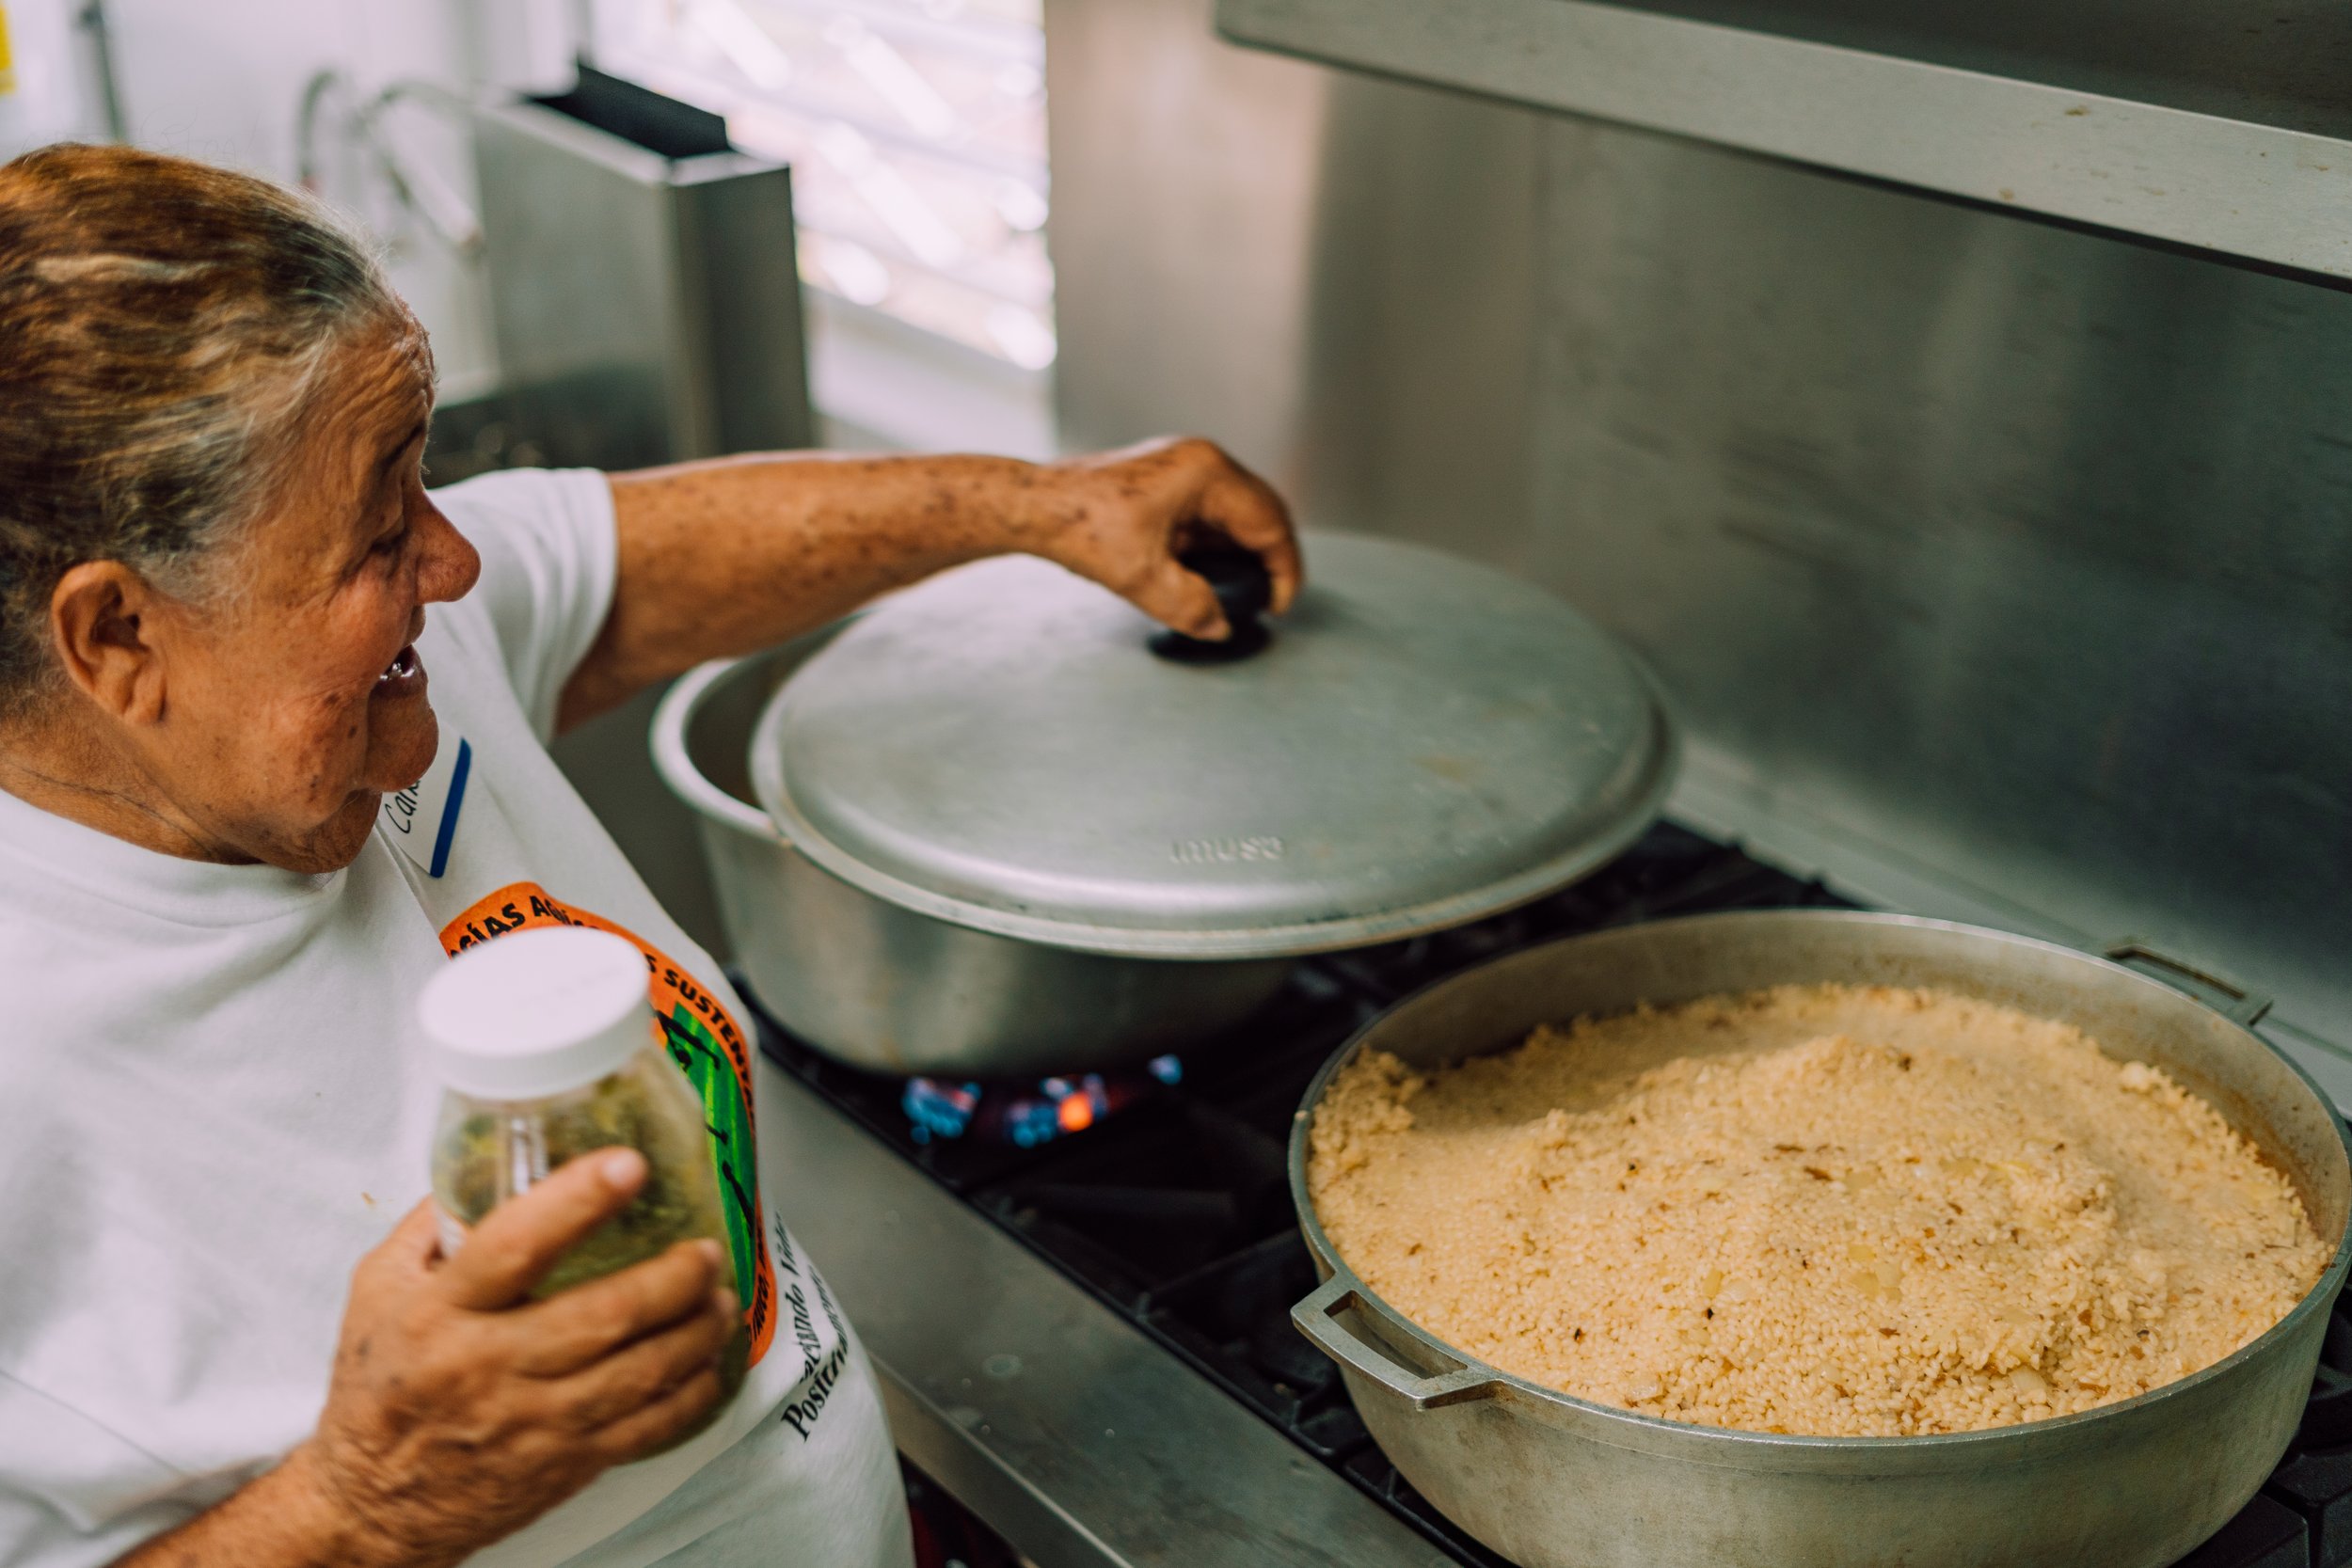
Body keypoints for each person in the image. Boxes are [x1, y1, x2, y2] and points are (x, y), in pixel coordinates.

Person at [0, 144, 1301, 1568]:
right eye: (383, 532)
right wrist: (363, 1509)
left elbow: (617, 564)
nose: (454, 563)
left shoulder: (369, 663)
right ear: (118, 638)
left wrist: (1043, 506)